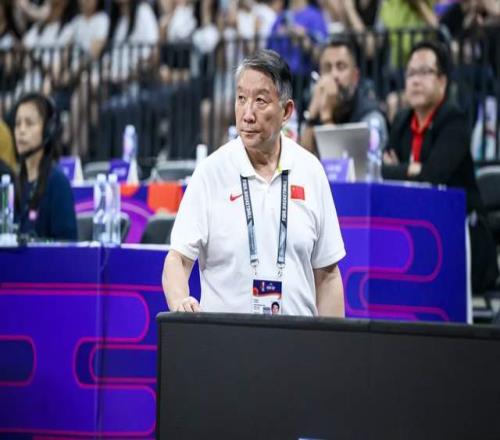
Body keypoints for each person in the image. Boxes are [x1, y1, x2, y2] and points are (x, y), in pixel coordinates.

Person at [162, 49, 346, 317]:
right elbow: (177, 259)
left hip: (299, 341)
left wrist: (334, 342)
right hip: (226, 339)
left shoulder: (311, 172)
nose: (247, 114)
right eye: (241, 99)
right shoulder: (210, 173)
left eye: (260, 100)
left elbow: (328, 275)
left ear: (286, 111)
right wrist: (180, 301)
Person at [382, 40, 499, 295]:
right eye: (411, 73)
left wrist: (404, 169)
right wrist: (413, 169)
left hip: (461, 237)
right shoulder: (402, 120)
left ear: (443, 81)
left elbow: (433, 177)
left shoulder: (453, 120)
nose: (415, 80)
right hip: (417, 231)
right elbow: (382, 170)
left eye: (425, 72)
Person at [301, 35, 388, 155]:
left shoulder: (371, 117)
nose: (334, 75)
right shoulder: (316, 106)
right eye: (327, 68)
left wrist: (326, 116)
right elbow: (302, 159)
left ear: (355, 76)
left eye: (341, 67)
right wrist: (312, 116)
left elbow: (341, 164)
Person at [13, 93, 77, 241]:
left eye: (29, 123)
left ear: (48, 130)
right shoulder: (13, 182)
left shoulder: (57, 183)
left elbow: (67, 247)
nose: (21, 130)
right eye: (17, 124)